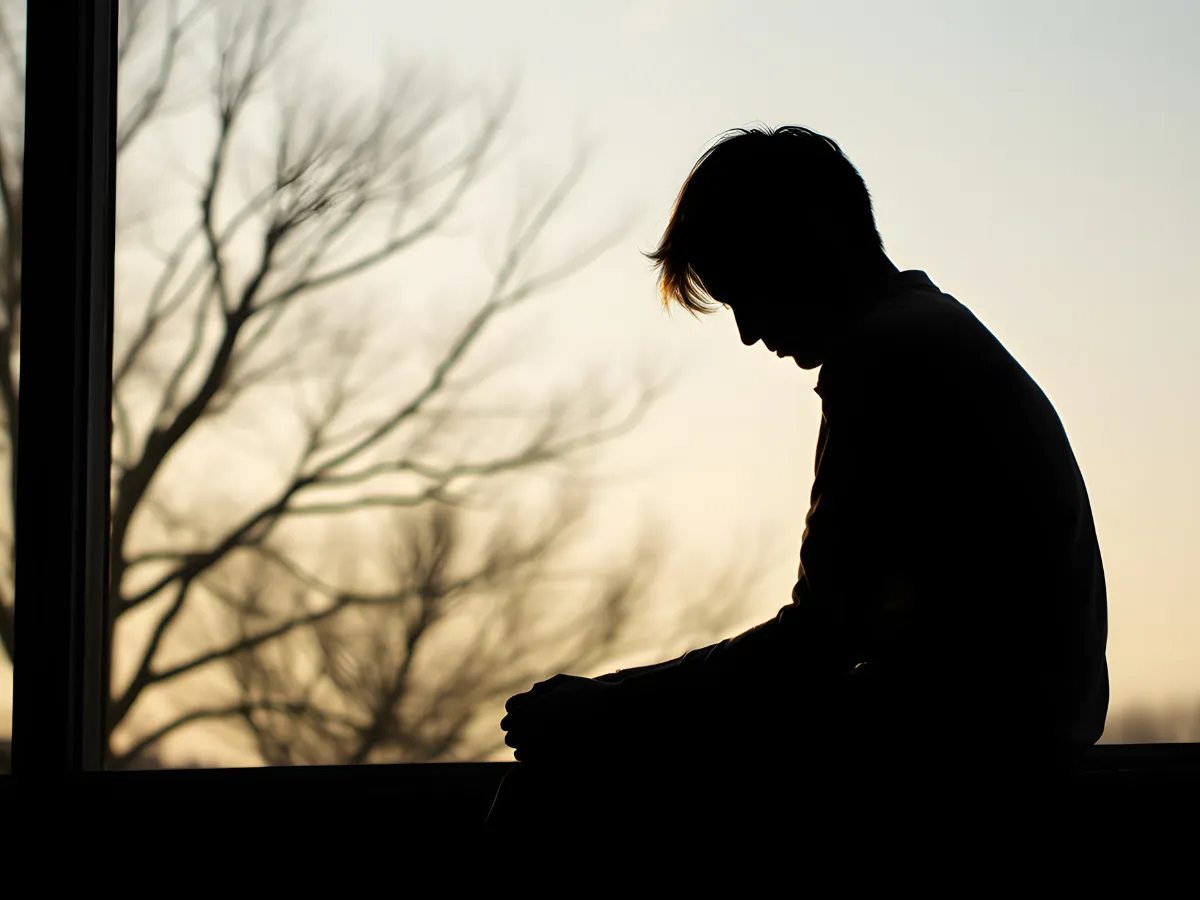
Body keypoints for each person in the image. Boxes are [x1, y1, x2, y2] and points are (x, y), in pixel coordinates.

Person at [489, 125, 1109, 830]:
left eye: (744, 292)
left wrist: (605, 706)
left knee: (558, 784)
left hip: (965, 758)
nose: (749, 332)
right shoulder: (933, 334)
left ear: (806, 244)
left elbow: (818, 643)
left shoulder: (888, 358)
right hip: (1015, 739)